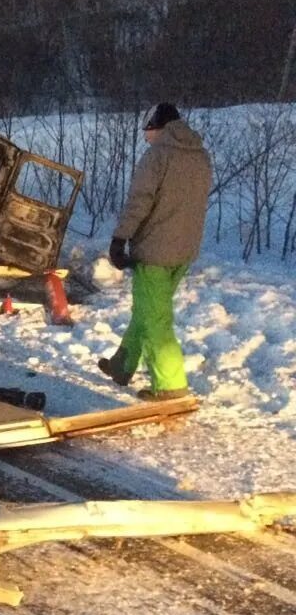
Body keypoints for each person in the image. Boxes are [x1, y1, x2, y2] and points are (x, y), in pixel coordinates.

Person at [98, 103, 212, 401]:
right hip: (185, 250)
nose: (146, 137)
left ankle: (171, 386)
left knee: (156, 321)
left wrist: (120, 238)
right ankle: (122, 364)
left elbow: (140, 201)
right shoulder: (200, 156)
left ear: (158, 127)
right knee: (149, 310)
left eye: (147, 131)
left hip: (154, 252)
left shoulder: (158, 156)